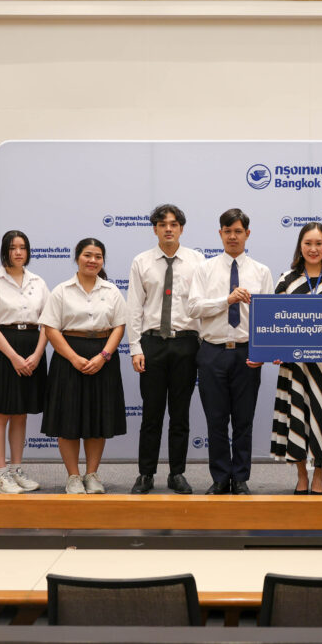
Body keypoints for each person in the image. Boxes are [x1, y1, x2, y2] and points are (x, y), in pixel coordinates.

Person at [187, 208, 274, 495]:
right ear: (220, 234)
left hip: (247, 353)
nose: (232, 236)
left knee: (243, 420)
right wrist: (226, 300)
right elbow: (193, 308)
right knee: (216, 419)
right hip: (212, 351)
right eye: (227, 231)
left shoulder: (261, 271)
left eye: (238, 231)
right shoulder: (205, 269)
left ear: (247, 234)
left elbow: (267, 317)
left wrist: (262, 353)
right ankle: (220, 477)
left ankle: (241, 478)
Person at [126, 204, 205, 495]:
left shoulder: (198, 261)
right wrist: (135, 348)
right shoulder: (142, 262)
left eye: (173, 224)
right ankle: (146, 473)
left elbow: (203, 305)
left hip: (186, 344)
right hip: (152, 344)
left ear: (181, 228)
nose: (168, 229)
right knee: (151, 414)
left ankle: (177, 473)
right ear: (155, 229)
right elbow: (134, 307)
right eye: (162, 224)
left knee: (180, 414)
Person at [39, 237, 127, 495]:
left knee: (97, 419)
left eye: (98, 256)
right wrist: (74, 358)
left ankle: (92, 474)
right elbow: (51, 328)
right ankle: (73, 477)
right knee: (68, 420)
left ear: (103, 261)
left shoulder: (111, 291)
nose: (92, 260)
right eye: (87, 255)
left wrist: (104, 356)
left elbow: (119, 326)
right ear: (77, 257)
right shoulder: (62, 291)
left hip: (103, 358)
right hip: (68, 358)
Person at [270, 222, 322, 495]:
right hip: (294, 366)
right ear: (300, 246)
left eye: (318, 243)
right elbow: (276, 321)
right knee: (296, 419)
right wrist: (276, 350)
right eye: (308, 243)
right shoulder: (286, 279)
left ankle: (319, 476)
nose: (313, 249)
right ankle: (301, 474)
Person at [0, 230, 49, 494]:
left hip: (32, 347)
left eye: (23, 247)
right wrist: (14, 357)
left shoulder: (38, 282)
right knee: (0, 412)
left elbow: (47, 323)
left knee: (20, 412)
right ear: (5, 250)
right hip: (2, 349)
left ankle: (17, 469)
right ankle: (1, 473)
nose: (18, 252)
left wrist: (37, 355)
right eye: (13, 247)